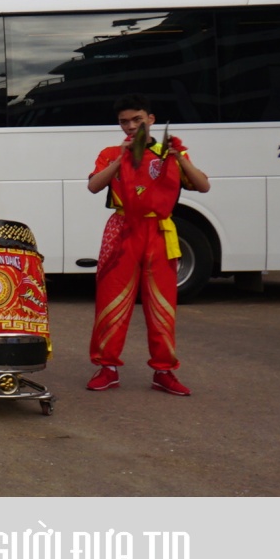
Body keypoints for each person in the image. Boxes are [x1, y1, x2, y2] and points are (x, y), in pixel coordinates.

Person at [85, 95, 210, 395]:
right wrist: (121, 159)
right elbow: (93, 186)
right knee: (112, 300)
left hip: (160, 230)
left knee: (162, 304)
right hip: (122, 228)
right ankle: (107, 368)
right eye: (124, 122)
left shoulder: (170, 152)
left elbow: (203, 185)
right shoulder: (110, 153)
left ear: (150, 119)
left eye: (137, 120)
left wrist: (179, 157)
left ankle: (163, 371)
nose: (130, 126)